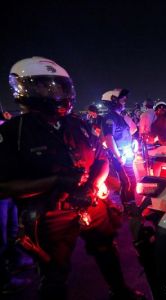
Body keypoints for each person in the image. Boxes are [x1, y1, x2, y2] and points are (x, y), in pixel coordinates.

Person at [0, 57, 144, 299]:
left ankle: (120, 292)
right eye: (46, 86)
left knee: (107, 249)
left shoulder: (78, 124)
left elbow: (101, 159)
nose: (55, 92)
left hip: (90, 201)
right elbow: (3, 186)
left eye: (59, 86)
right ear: (25, 88)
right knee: (54, 274)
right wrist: (55, 182)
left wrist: (91, 185)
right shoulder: (14, 132)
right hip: (49, 214)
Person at [101, 88, 138, 210]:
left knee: (131, 181)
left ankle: (130, 203)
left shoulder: (120, 117)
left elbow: (126, 134)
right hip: (121, 156)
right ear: (113, 100)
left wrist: (133, 142)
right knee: (127, 181)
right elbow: (108, 138)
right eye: (123, 99)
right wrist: (118, 156)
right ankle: (128, 206)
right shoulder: (109, 117)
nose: (125, 101)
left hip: (127, 154)